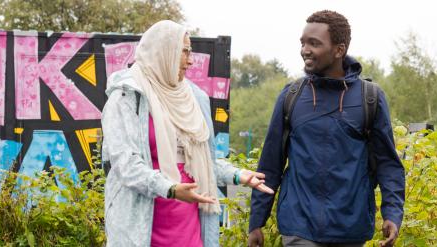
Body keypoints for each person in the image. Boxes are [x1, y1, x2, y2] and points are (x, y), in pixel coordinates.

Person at [102, 20, 273, 247]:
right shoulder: (127, 96)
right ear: (164, 51)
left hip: (190, 226)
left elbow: (201, 160)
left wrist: (237, 174)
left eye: (190, 52)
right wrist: (170, 189)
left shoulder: (193, 97)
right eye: (184, 52)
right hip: (142, 229)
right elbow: (126, 165)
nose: (190, 60)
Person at [248, 10, 405, 247]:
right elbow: (270, 163)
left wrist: (392, 214)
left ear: (339, 50)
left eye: (314, 43)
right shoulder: (291, 96)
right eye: (303, 42)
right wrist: (256, 221)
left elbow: (388, 164)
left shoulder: (370, 98)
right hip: (298, 226)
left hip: (351, 229)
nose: (305, 50)